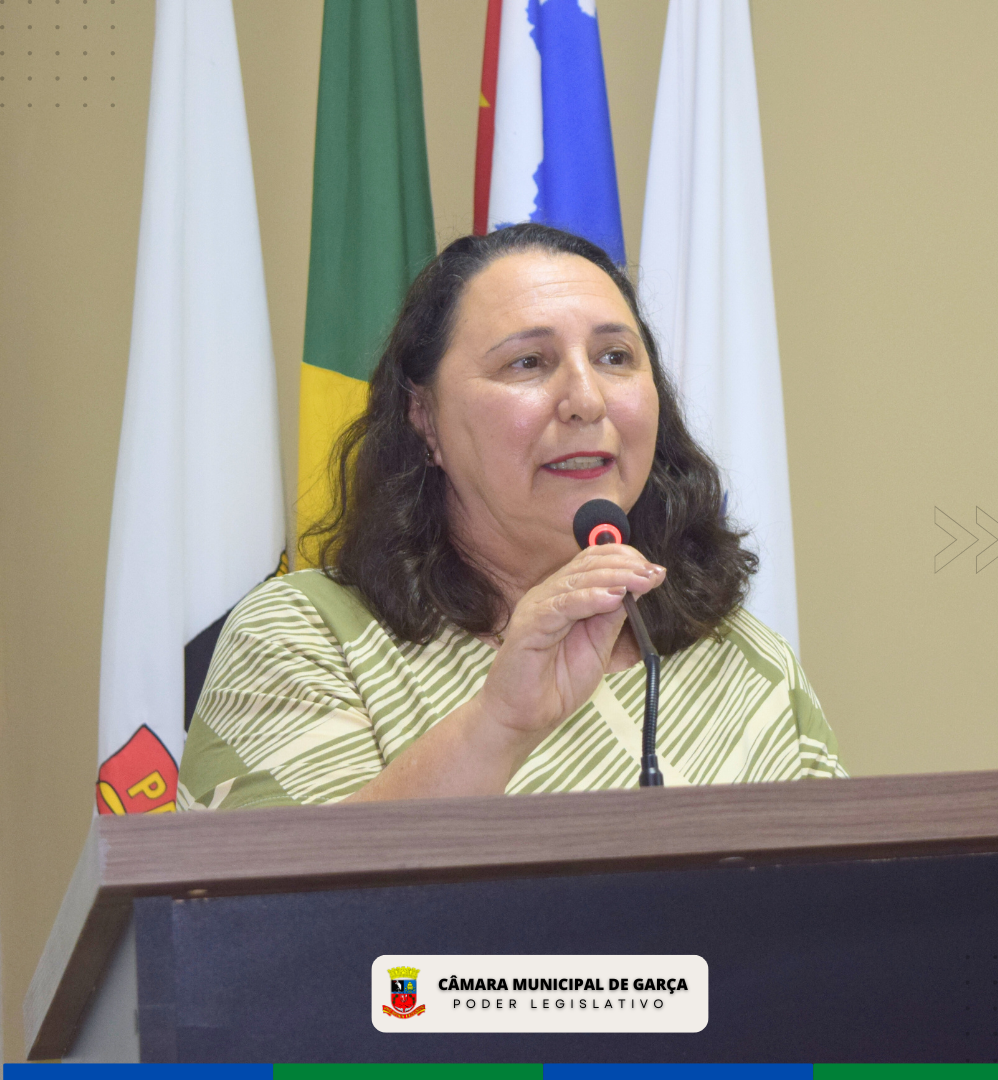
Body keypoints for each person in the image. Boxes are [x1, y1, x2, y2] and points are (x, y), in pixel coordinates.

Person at [177, 224, 845, 811]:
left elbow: (847, 899)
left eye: (615, 357)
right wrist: (496, 725)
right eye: (528, 362)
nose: (586, 400)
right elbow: (276, 899)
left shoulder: (742, 658)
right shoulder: (303, 636)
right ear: (425, 418)